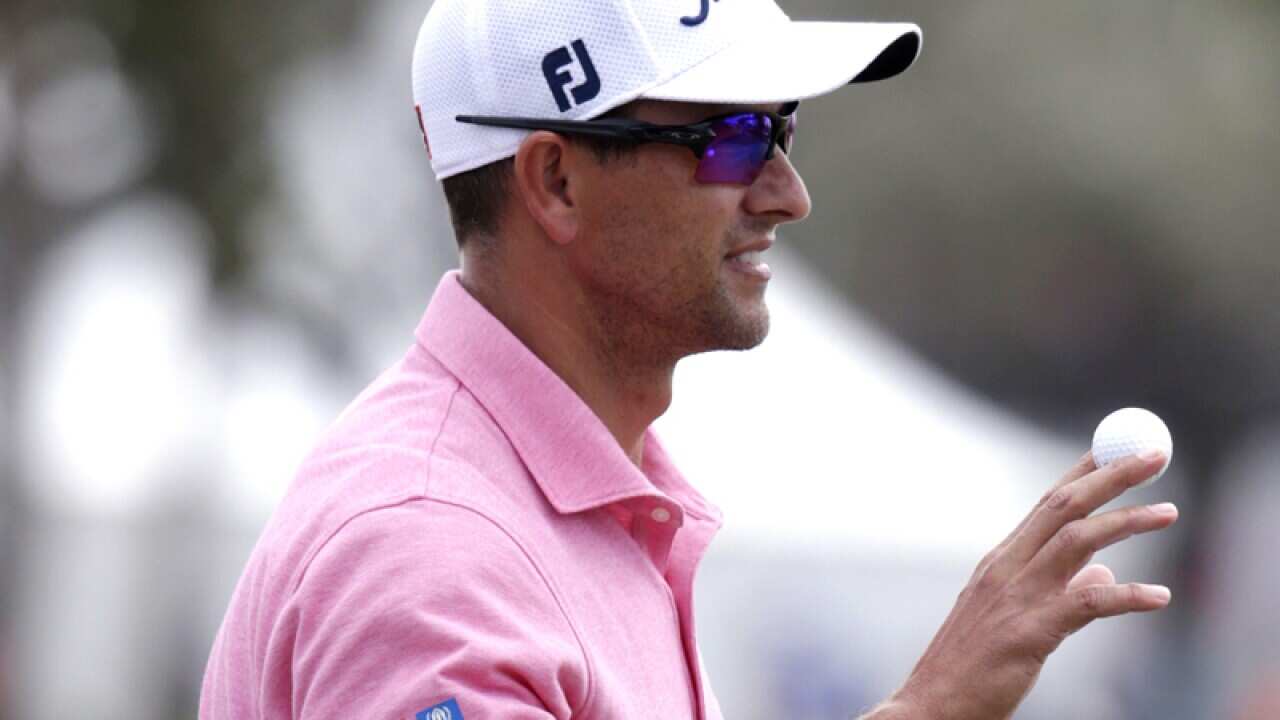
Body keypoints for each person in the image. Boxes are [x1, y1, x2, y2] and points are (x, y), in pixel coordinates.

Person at [200, 1, 1179, 718]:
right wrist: (929, 709)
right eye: (732, 138)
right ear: (554, 181)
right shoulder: (433, 549)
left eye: (781, 129)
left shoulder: (567, 502)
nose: (785, 193)